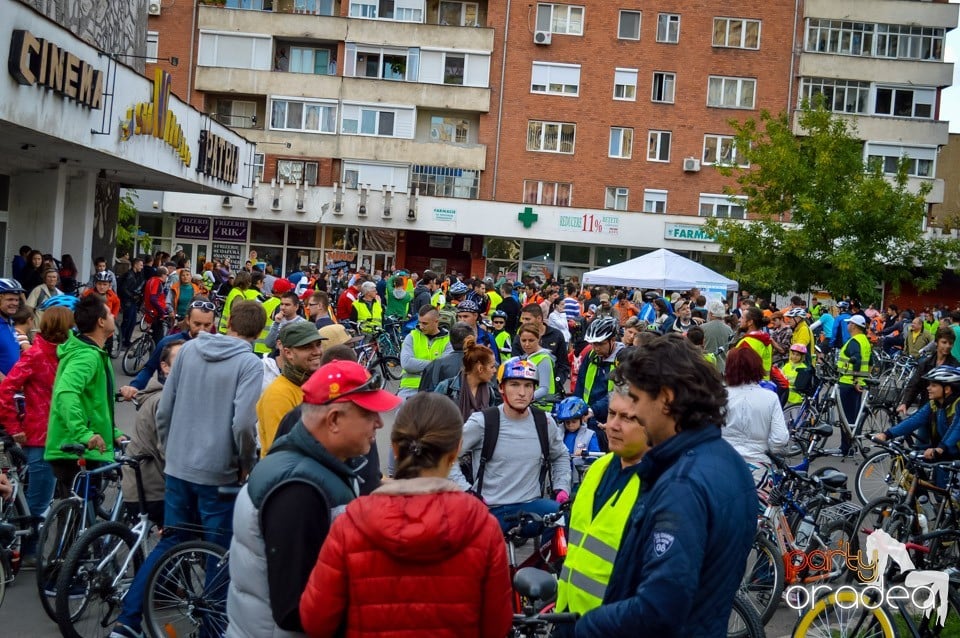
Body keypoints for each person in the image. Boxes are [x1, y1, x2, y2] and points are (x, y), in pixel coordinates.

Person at [571, 334, 757, 637]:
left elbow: (659, 606)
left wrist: (588, 626)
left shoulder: (682, 483)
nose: (639, 414)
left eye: (639, 400)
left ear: (667, 399)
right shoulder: (728, 462)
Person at [299, 392, 513, 638]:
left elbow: (316, 620)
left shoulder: (351, 525)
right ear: (456, 451)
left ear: (395, 449)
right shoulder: (483, 527)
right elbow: (497, 625)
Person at [112, 300, 266, 638]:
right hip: (217, 472)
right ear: (260, 332)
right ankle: (211, 630)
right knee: (218, 551)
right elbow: (243, 424)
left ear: (226, 322)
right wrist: (244, 463)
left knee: (171, 541)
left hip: (179, 467)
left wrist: (171, 449)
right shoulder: (249, 364)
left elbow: (165, 406)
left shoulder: (190, 350)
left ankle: (127, 622)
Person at [227, 360, 402, 637]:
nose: (380, 423)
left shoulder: (310, 469)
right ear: (333, 420)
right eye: (369, 414)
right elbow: (296, 609)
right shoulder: (300, 490)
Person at [553, 378, 645, 630]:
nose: (612, 425)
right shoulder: (599, 468)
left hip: (611, 624)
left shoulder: (658, 483)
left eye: (626, 418)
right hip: (568, 612)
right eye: (612, 413)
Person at [449, 358, 571, 539]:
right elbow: (446, 457)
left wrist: (562, 487)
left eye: (528, 386)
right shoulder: (483, 422)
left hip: (531, 506)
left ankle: (543, 567)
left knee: (561, 519)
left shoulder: (544, 422)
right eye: (514, 385)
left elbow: (560, 455)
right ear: (501, 388)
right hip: (490, 509)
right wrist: (466, 492)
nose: (522, 392)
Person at [0, 305, 73, 562]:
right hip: (41, 436)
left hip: (63, 436)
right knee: (39, 501)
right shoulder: (36, 354)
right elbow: (6, 389)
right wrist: (14, 427)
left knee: (46, 498)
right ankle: (26, 552)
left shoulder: (66, 354)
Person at [44, 295, 123, 494]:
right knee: (80, 519)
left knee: (77, 515)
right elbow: (66, 393)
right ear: (101, 321)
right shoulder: (87, 356)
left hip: (82, 445)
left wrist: (113, 433)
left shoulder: (92, 351)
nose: (114, 316)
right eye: (109, 313)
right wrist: (83, 434)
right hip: (77, 448)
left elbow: (95, 402)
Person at [119, 339, 184, 527]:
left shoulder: (160, 394)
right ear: (164, 366)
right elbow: (170, 450)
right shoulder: (165, 400)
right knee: (179, 540)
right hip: (154, 491)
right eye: (180, 362)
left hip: (141, 488)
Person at [119, 299, 217, 399]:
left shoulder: (218, 348)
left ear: (213, 323)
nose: (202, 330)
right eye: (197, 324)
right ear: (188, 320)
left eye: (207, 325)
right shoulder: (168, 342)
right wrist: (134, 386)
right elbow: (149, 369)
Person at [256, 322, 326, 456]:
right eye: (307, 347)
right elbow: (282, 454)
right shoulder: (279, 395)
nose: (317, 352)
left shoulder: (316, 386)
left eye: (318, 345)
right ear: (288, 353)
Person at [722, 347, 790, 484]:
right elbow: (780, 439)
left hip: (724, 464)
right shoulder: (770, 398)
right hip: (758, 467)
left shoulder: (719, 396)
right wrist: (763, 448)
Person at [875, 365, 960, 461]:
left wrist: (941, 448)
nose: (928, 388)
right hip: (945, 452)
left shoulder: (958, 404)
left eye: (934, 385)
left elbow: (957, 428)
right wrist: (887, 434)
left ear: (947, 389)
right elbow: (915, 420)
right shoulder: (934, 404)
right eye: (929, 384)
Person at [434, 336, 502, 421]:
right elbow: (431, 417)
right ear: (480, 368)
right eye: (492, 367)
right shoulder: (446, 388)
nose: (495, 371)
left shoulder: (490, 392)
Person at [573, 316, 624, 429]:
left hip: (608, 419)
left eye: (600, 344)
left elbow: (618, 392)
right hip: (586, 416)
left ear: (613, 340)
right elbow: (580, 385)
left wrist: (593, 410)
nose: (596, 348)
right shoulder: (591, 355)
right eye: (593, 344)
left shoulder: (622, 359)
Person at [899, 327, 959, 415]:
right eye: (944, 342)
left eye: (950, 343)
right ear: (936, 343)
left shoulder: (955, 366)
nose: (947, 346)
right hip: (925, 409)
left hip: (945, 412)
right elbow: (915, 384)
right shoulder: (926, 363)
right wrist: (905, 403)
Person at [836, 314, 872, 455]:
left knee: (845, 418)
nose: (847, 325)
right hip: (857, 384)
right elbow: (871, 363)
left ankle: (846, 448)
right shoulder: (865, 341)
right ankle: (852, 446)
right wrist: (863, 379)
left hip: (848, 382)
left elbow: (856, 360)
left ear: (854, 326)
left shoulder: (854, 342)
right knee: (853, 417)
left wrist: (856, 380)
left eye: (849, 323)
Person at [399, 306, 452, 399]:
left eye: (425, 323)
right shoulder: (412, 336)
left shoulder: (448, 340)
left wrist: (417, 364)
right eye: (419, 322)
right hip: (410, 388)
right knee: (401, 411)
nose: (421, 326)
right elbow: (407, 364)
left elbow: (446, 367)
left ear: (436, 321)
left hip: (436, 389)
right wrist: (436, 364)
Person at [511, 303, 569, 386]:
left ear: (539, 318)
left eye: (527, 319)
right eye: (522, 319)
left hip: (552, 391)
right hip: (528, 388)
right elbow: (515, 363)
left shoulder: (557, 335)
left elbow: (563, 364)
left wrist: (557, 381)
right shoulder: (519, 337)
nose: (523, 322)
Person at [554, 396, 600, 484]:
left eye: (574, 421)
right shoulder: (558, 434)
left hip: (580, 480)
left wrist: (584, 453)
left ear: (582, 419)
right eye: (567, 422)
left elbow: (596, 456)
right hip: (560, 479)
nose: (570, 425)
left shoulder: (590, 435)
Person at [419, 321, 472, 392]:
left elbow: (423, 395)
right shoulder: (483, 365)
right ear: (471, 340)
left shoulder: (435, 364)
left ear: (450, 340)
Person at [518, 324, 556, 401]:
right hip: (530, 404)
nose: (527, 344)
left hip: (541, 406)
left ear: (538, 339)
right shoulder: (526, 357)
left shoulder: (543, 359)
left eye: (531, 340)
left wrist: (523, 399)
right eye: (523, 340)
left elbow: (544, 389)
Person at [117, 258, 145, 348]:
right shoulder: (129, 275)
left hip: (132, 301)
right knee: (127, 321)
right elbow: (124, 289)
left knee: (132, 322)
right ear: (135, 265)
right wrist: (132, 296)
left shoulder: (136, 275)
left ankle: (126, 340)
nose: (142, 267)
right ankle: (121, 341)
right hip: (128, 301)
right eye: (140, 265)